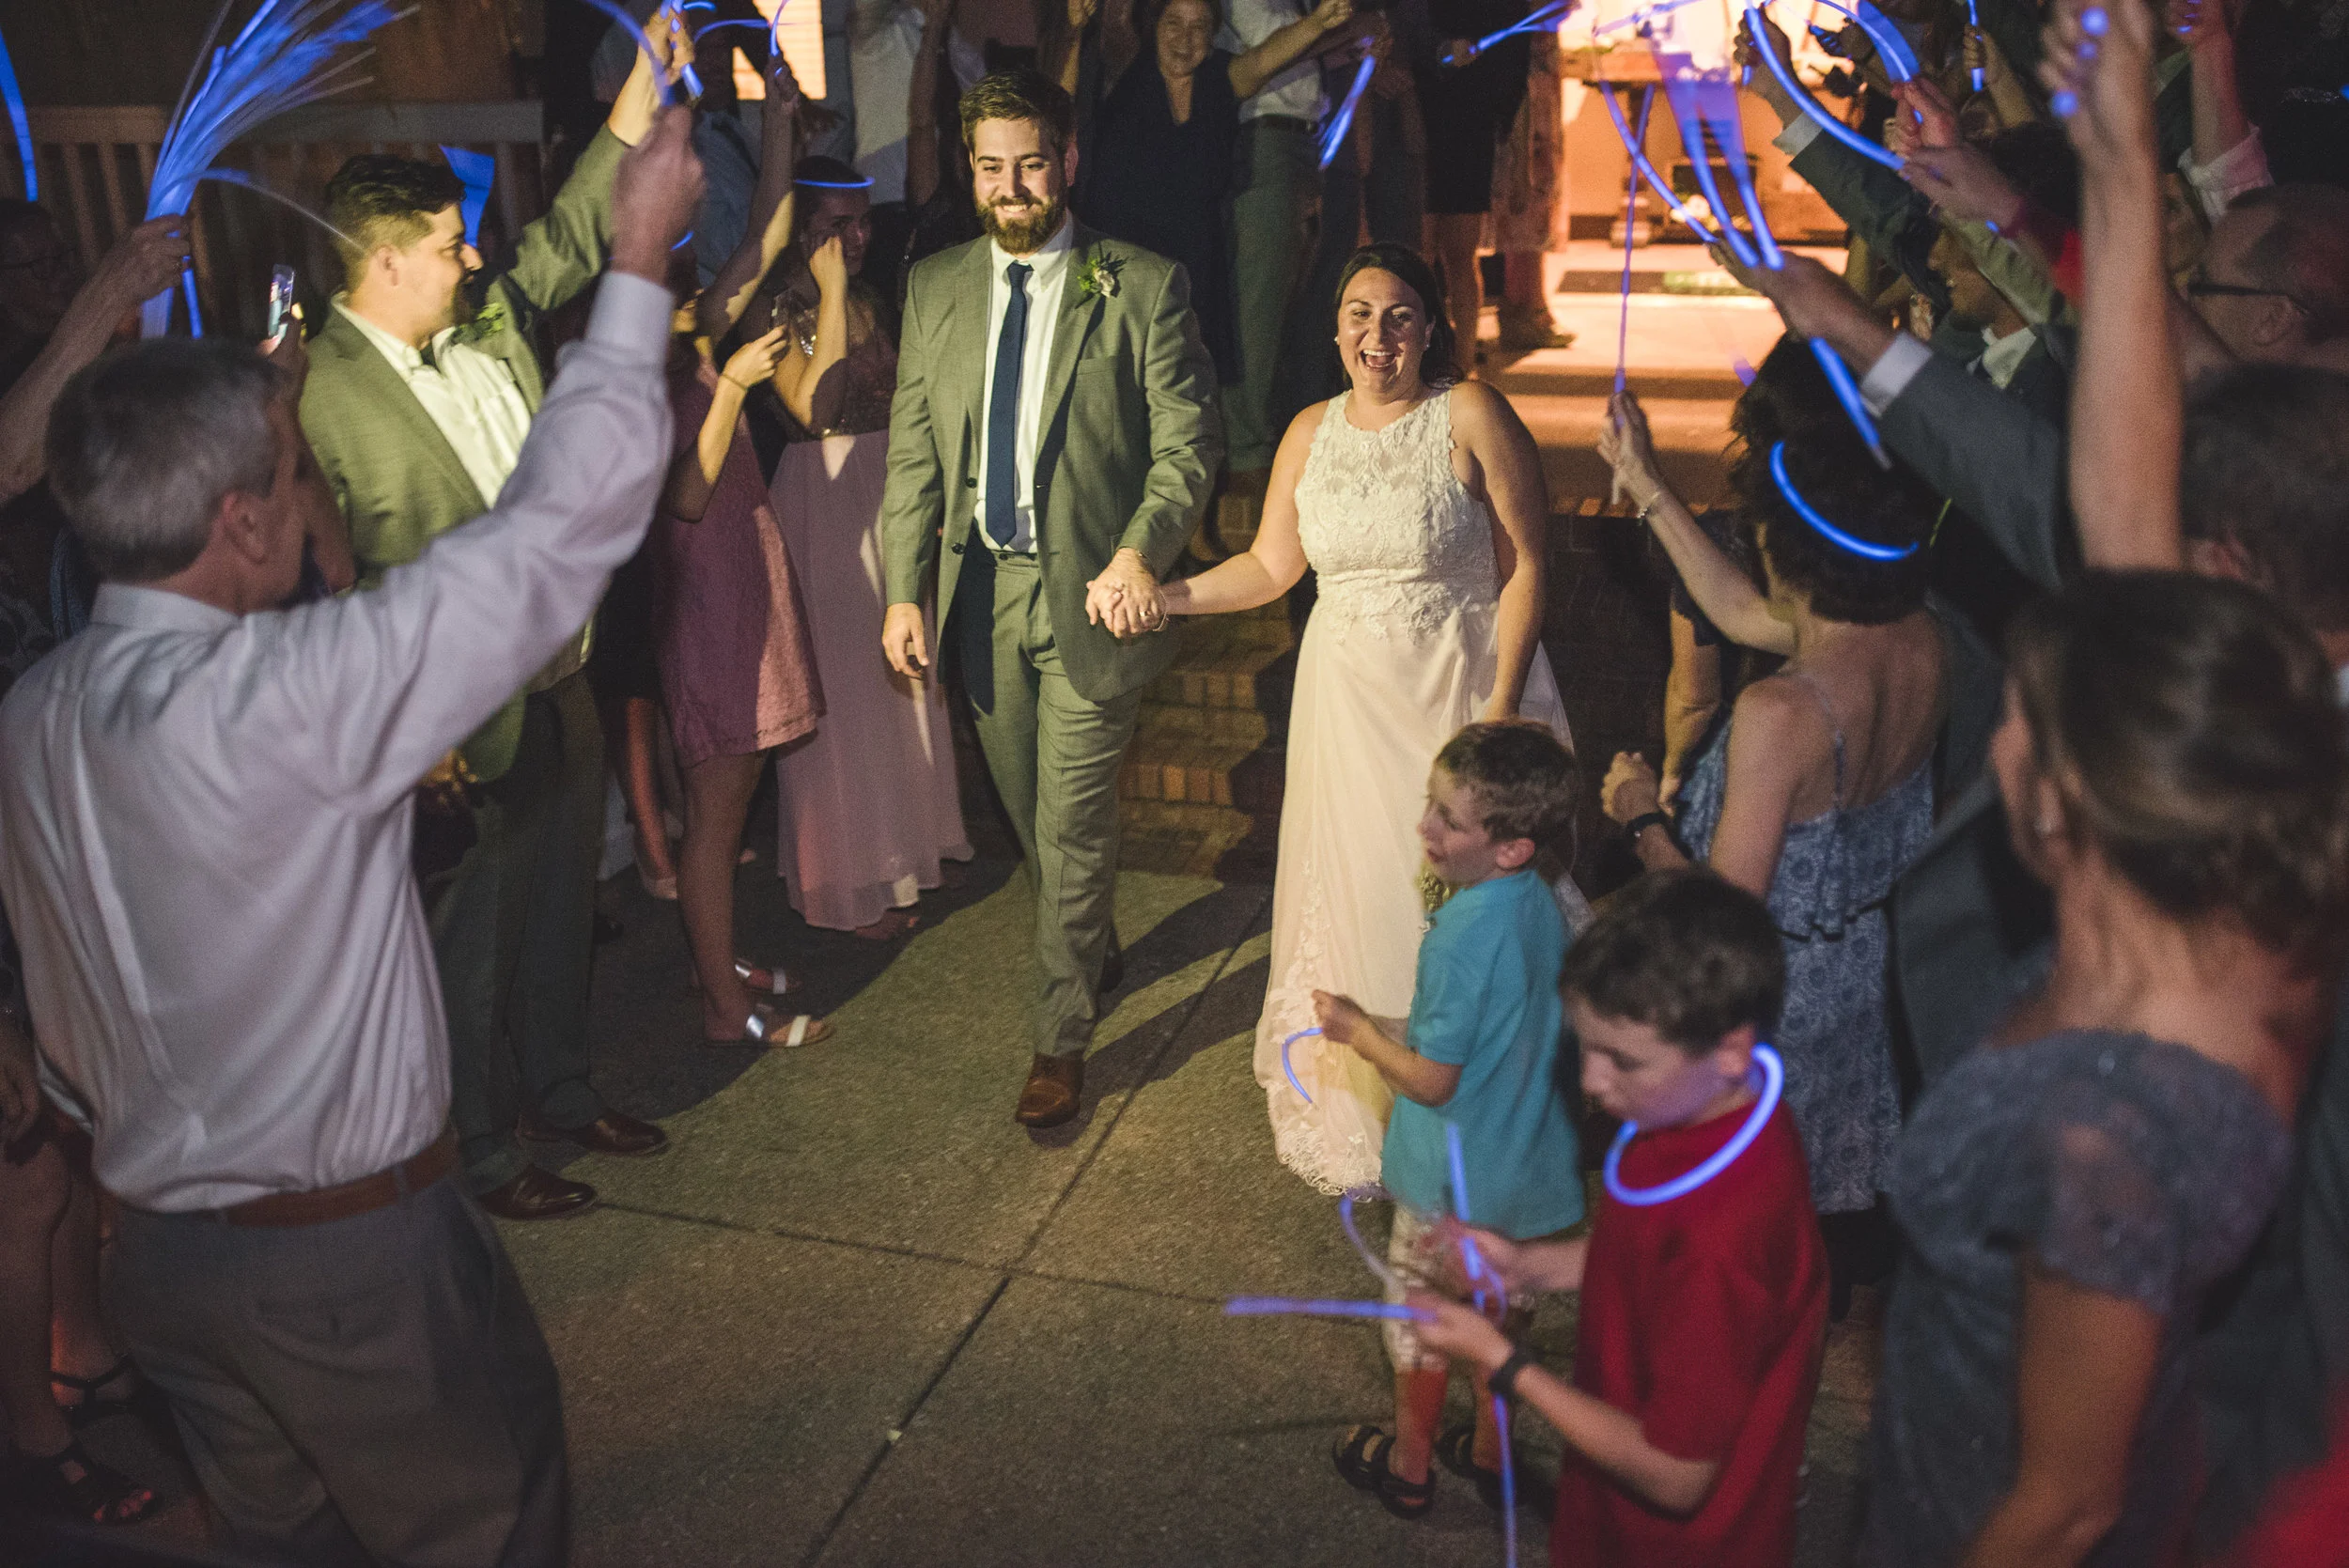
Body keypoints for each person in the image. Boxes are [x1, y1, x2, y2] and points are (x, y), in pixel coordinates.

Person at [0, 103, 700, 1566]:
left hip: (160, 1263)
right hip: (345, 1265)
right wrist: (638, 257)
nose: (299, 490)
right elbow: (553, 535)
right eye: (287, 476)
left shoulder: (34, 715)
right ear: (245, 525)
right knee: (486, 1523)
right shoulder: (287, 697)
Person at [1865, 571, 2344, 1568]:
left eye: (2011, 718)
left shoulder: (2106, 1135)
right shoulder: (2222, 953)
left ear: (2063, 796)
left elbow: (2067, 1507)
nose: (1992, 744)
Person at [299, 19, 686, 1220]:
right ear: (383, 264)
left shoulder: (495, 318)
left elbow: (575, 226)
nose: (473, 259)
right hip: (457, 718)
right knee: (472, 941)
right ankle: (476, 1147)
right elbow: (329, 585)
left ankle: (564, 1091)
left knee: (563, 912)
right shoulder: (313, 398)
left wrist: (643, 83)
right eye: (447, 246)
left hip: (561, 678)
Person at [1150, 241, 1577, 1195]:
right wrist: (1166, 598)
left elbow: (1526, 565)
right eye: (1358, 314)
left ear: (1429, 328)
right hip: (1343, 707)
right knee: (1364, 889)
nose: (1376, 335)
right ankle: (1376, 1106)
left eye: (1398, 316)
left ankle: (1480, 1102)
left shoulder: (1469, 412)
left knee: (1453, 897)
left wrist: (1501, 713)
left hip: (1454, 693)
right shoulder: (1310, 430)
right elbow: (1270, 567)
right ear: (1335, 329)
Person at [879, 69, 1221, 1128]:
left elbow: (1187, 446)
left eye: (1031, 164)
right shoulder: (934, 286)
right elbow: (913, 458)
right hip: (981, 596)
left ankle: (1059, 1040)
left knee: (1069, 823)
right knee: (1031, 814)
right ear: (970, 170)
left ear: (1067, 161)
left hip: (1091, 594)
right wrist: (903, 591)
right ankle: (1088, 934)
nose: (1013, 187)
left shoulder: (1140, 283)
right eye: (992, 168)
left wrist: (1139, 552)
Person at [1597, 341, 1941, 1292]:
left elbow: (1724, 918)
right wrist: (1645, 483)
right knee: (1810, 1229)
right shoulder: (1920, 637)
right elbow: (1746, 614)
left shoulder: (1782, 712)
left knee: (1737, 1248)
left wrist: (1640, 820)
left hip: (1774, 1014)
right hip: (1861, 991)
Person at [1413, 869, 1828, 1568]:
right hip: (1613, 1469)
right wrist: (1529, 1265)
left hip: (1675, 1543)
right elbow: (1646, 1248)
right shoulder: (1706, 1106)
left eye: (1623, 1060)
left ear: (1730, 1047)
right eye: (1586, 1046)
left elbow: (1676, 1475)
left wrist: (1504, 1362)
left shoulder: (1723, 1243)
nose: (1591, 1082)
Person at [1313, 721, 1584, 1518]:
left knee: (1423, 1327)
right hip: (1527, 1172)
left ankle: (1409, 1465)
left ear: (1510, 847)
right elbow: (1492, 1031)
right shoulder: (1539, 906)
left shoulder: (1461, 936)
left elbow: (1432, 1080)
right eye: (1430, 804)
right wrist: (1397, 1025)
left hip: (1452, 1182)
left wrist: (1360, 1034)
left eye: (1449, 819)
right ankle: (1493, 1451)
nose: (1424, 827)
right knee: (1499, 1320)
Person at [756, 156, 973, 939]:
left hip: (889, 489)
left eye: (862, 224)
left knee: (903, 686)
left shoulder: (876, 299)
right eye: (837, 225)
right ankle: (847, 883)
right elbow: (814, 410)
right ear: (801, 229)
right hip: (826, 502)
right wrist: (829, 292)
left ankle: (907, 854)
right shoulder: (772, 310)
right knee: (847, 693)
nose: (855, 239)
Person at [654, 211, 833, 1041]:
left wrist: (780, 141)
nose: (696, 283)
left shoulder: (688, 340)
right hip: (706, 608)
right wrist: (730, 386)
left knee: (731, 799)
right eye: (675, 272)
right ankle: (727, 1014)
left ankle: (711, 962)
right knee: (717, 810)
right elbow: (686, 497)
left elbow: (765, 231)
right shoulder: (633, 378)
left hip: (739, 591)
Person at [1066, 0, 1358, 384]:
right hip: (1125, 263)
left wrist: (1318, 21)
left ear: (1212, 36)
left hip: (1192, 271)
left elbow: (1266, 57)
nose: (1184, 39)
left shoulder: (1220, 79)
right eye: (1174, 23)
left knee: (1187, 387)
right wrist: (1076, 27)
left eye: (1199, 27)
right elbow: (1073, 88)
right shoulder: (1128, 70)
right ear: (1155, 26)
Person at [1414, 0, 1534, 372]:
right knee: (1423, 253)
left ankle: (1462, 361)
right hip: (1421, 121)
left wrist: (1520, 168)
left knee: (1457, 254)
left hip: (1467, 128)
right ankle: (1429, 357)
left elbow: (1515, 85)